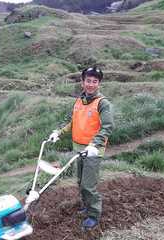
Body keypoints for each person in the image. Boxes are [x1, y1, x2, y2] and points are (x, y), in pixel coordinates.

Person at [49, 66, 114, 229]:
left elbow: (107, 127)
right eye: (88, 81)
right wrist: (59, 132)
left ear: (99, 83)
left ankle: (93, 215)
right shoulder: (79, 100)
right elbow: (73, 122)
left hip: (93, 150)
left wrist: (94, 144)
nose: (91, 84)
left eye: (94, 81)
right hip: (78, 148)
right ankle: (86, 205)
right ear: (82, 82)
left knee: (88, 185)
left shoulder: (103, 103)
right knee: (80, 181)